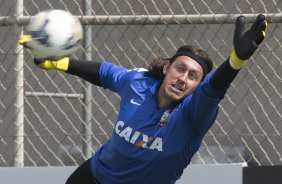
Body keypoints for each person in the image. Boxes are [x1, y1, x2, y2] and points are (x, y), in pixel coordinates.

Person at [19, 14, 267, 184]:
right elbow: (105, 73)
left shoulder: (194, 114)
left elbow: (214, 89)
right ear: (167, 68)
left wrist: (236, 62)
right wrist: (59, 62)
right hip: (92, 177)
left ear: (197, 86)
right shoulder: (138, 83)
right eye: (180, 68)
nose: (183, 78)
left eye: (193, 76)